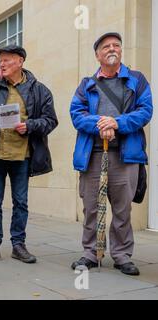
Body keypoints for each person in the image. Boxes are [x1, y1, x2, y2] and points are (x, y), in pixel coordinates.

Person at [70, 32, 153, 276]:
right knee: (91, 208)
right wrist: (100, 123)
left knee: (122, 208)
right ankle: (91, 253)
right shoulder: (86, 84)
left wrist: (116, 123)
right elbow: (76, 114)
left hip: (125, 156)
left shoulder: (136, 80)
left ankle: (121, 255)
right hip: (92, 155)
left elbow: (145, 111)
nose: (112, 48)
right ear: (97, 55)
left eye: (116, 44)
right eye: (106, 46)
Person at [0, 44, 58, 264]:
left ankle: (18, 245)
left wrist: (28, 126)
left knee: (21, 202)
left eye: (7, 59)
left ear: (20, 61)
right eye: (0, 60)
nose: (2, 63)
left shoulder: (39, 89)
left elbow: (51, 121)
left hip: (23, 156)